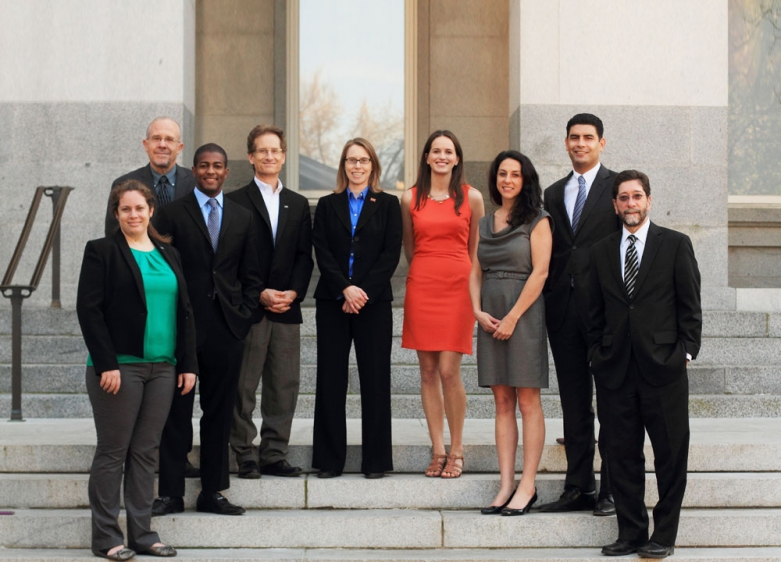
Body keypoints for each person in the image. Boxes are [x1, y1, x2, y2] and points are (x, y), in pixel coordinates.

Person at [77, 180, 198, 560]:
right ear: (116, 214)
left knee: (147, 452)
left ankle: (143, 535)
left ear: (150, 210)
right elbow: (89, 310)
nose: (134, 215)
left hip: (163, 367)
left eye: (140, 208)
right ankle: (107, 538)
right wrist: (105, 362)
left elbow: (185, 311)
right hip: (119, 368)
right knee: (114, 452)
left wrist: (188, 363)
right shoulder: (102, 251)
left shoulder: (168, 253)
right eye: (126, 209)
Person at [589, 170, 701, 559]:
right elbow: (593, 311)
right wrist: (596, 355)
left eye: (637, 196)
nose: (630, 203)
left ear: (648, 201)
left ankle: (663, 536)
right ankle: (632, 532)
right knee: (621, 455)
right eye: (623, 197)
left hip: (664, 368)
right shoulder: (601, 250)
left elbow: (690, 306)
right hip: (615, 369)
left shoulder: (675, 244)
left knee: (670, 455)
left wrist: (685, 352)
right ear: (615, 204)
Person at [151, 143, 262, 516]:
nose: (210, 171)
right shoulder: (169, 215)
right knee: (175, 412)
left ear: (226, 171)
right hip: (182, 327)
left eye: (217, 166)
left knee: (219, 412)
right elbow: (161, 272)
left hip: (227, 329)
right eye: (203, 166)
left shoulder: (242, 217)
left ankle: (212, 492)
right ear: (194, 170)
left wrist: (244, 316)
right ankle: (170, 493)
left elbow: (251, 274)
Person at [538, 113, 618, 515]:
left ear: (602, 143)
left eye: (588, 137)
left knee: (611, 400)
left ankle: (612, 489)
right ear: (566, 143)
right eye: (574, 137)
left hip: (607, 311)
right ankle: (579, 485)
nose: (580, 143)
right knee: (573, 401)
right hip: (563, 311)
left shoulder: (619, 188)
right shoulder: (553, 193)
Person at [311, 138, 402, 479]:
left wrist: (362, 291)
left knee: (375, 380)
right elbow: (322, 250)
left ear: (373, 166)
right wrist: (345, 288)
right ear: (343, 165)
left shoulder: (389, 204)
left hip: (373, 303)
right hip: (333, 302)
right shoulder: (326, 204)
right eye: (351, 160)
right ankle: (329, 460)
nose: (357, 166)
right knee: (330, 380)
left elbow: (391, 253)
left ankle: (375, 461)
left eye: (363, 160)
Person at [228, 124, 314, 479]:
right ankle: (244, 452)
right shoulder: (234, 201)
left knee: (283, 385)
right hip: (250, 308)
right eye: (261, 151)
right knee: (243, 385)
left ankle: (274, 452)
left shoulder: (297, 203)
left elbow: (303, 256)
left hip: (286, 308)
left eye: (275, 150)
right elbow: (229, 259)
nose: (268, 156)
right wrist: (259, 292)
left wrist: (293, 292)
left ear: (283, 156)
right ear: (251, 157)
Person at [469, 150, 552, 516]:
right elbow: (474, 272)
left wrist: (514, 317)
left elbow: (541, 273)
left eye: (515, 174)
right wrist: (477, 311)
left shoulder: (538, 220)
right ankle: (505, 484)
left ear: (525, 180)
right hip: (489, 316)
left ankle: (528, 485)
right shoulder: (485, 222)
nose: (507, 180)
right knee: (501, 402)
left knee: (527, 401)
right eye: (502, 173)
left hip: (524, 315)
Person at [401, 130, 484, 479]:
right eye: (436, 150)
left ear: (457, 158)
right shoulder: (408, 198)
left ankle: (458, 448)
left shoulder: (473, 197)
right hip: (422, 284)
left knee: (450, 370)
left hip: (458, 287)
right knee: (428, 371)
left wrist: (470, 287)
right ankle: (437, 450)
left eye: (448, 151)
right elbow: (409, 247)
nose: (442, 156)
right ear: (426, 157)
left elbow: (476, 251)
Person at [104, 117, 196, 237]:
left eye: (169, 139)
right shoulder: (123, 184)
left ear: (179, 147)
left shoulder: (196, 183)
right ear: (146, 145)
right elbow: (113, 235)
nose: (162, 145)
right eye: (156, 138)